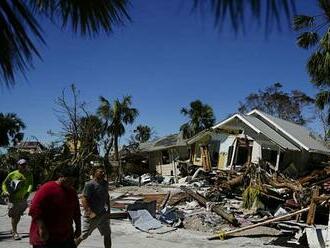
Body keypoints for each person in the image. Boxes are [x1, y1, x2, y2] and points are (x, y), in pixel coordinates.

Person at [29, 166, 81, 248]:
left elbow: (76, 211)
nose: (71, 183)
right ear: (61, 176)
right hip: (47, 237)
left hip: (66, 236)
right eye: (69, 180)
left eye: (73, 181)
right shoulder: (47, 188)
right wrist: (42, 228)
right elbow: (34, 209)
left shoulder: (72, 191)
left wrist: (78, 227)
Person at [75, 166, 111, 248]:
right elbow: (84, 199)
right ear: (95, 173)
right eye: (100, 172)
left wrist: (108, 208)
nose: (103, 173)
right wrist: (89, 212)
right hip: (92, 215)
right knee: (84, 235)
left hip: (102, 213)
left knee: (107, 234)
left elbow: (107, 195)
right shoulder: (90, 184)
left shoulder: (105, 183)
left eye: (104, 172)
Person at [1, 159, 33, 240]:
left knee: (18, 216)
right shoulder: (12, 174)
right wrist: (5, 191)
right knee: (15, 216)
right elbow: (4, 184)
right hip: (13, 199)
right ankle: (15, 232)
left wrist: (28, 192)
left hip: (23, 199)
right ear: (18, 165)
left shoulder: (29, 174)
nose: (23, 166)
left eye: (25, 164)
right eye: (21, 164)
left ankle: (13, 229)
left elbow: (31, 184)